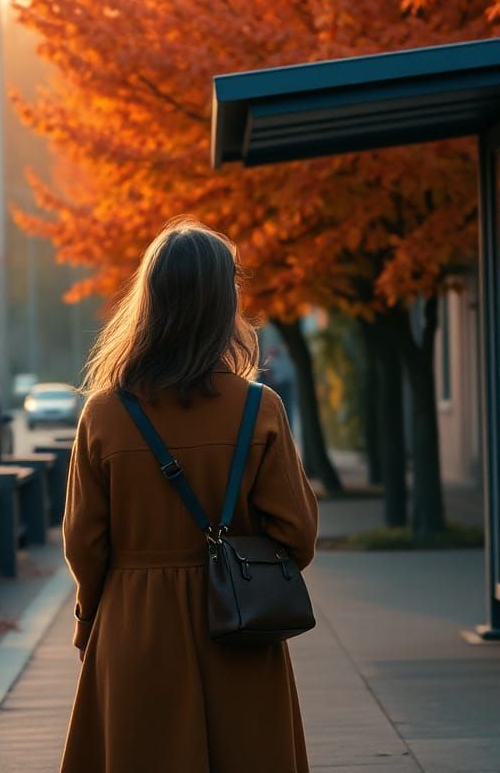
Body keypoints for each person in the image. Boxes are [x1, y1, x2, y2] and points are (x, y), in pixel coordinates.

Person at [60, 217, 319, 773]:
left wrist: (89, 620)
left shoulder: (104, 414)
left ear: (149, 301)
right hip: (239, 625)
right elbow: (297, 535)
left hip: (135, 625)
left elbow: (84, 544)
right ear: (224, 303)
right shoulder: (259, 408)